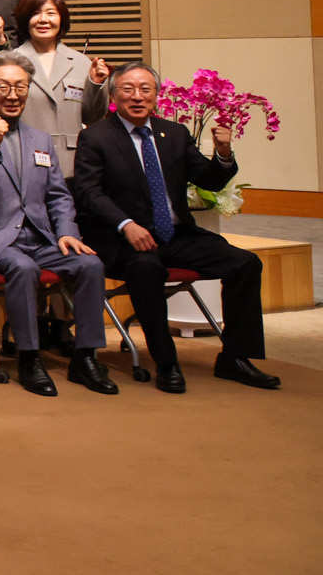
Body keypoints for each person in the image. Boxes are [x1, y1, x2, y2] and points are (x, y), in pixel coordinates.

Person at [72, 63, 278, 393]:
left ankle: (235, 358)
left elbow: (209, 180)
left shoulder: (174, 133)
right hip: (121, 239)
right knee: (146, 269)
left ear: (156, 95)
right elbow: (88, 191)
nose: (137, 97)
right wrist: (126, 224)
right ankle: (166, 362)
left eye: (145, 89)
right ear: (113, 95)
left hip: (176, 235)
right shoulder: (95, 136)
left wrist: (223, 154)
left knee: (245, 263)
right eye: (128, 89)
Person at [0, 53, 116, 397]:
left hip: (41, 238)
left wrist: (67, 231)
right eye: (3, 87)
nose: (13, 95)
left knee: (90, 264)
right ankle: (29, 358)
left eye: (21, 87)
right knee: (23, 268)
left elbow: (58, 195)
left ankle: (85, 357)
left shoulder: (40, 139)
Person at [9, 0, 109, 176]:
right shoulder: (10, 62)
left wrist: (96, 85)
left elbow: (92, 118)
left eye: (51, 13)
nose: (43, 20)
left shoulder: (81, 62)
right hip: (25, 161)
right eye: (35, 13)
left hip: (72, 162)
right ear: (25, 20)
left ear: (62, 19)